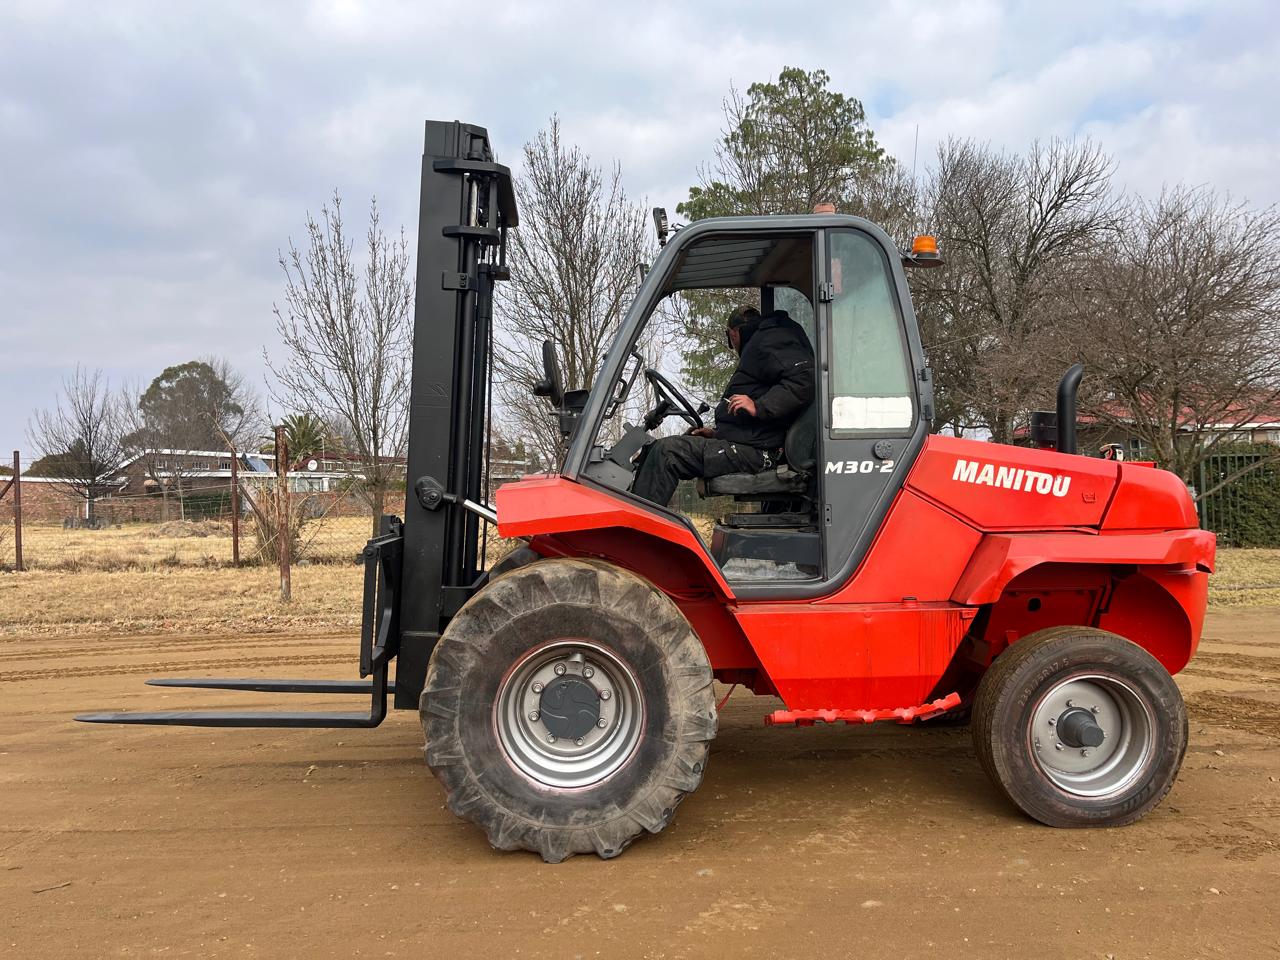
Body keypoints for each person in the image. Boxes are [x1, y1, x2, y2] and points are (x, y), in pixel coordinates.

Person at [631, 304, 815, 507]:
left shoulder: (769, 339)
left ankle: (636, 524)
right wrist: (716, 434)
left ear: (733, 333)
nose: (733, 345)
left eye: (730, 339)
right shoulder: (763, 343)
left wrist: (759, 406)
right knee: (655, 449)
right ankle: (638, 514)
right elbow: (757, 427)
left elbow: (805, 380)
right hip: (754, 447)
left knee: (667, 453)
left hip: (761, 454)